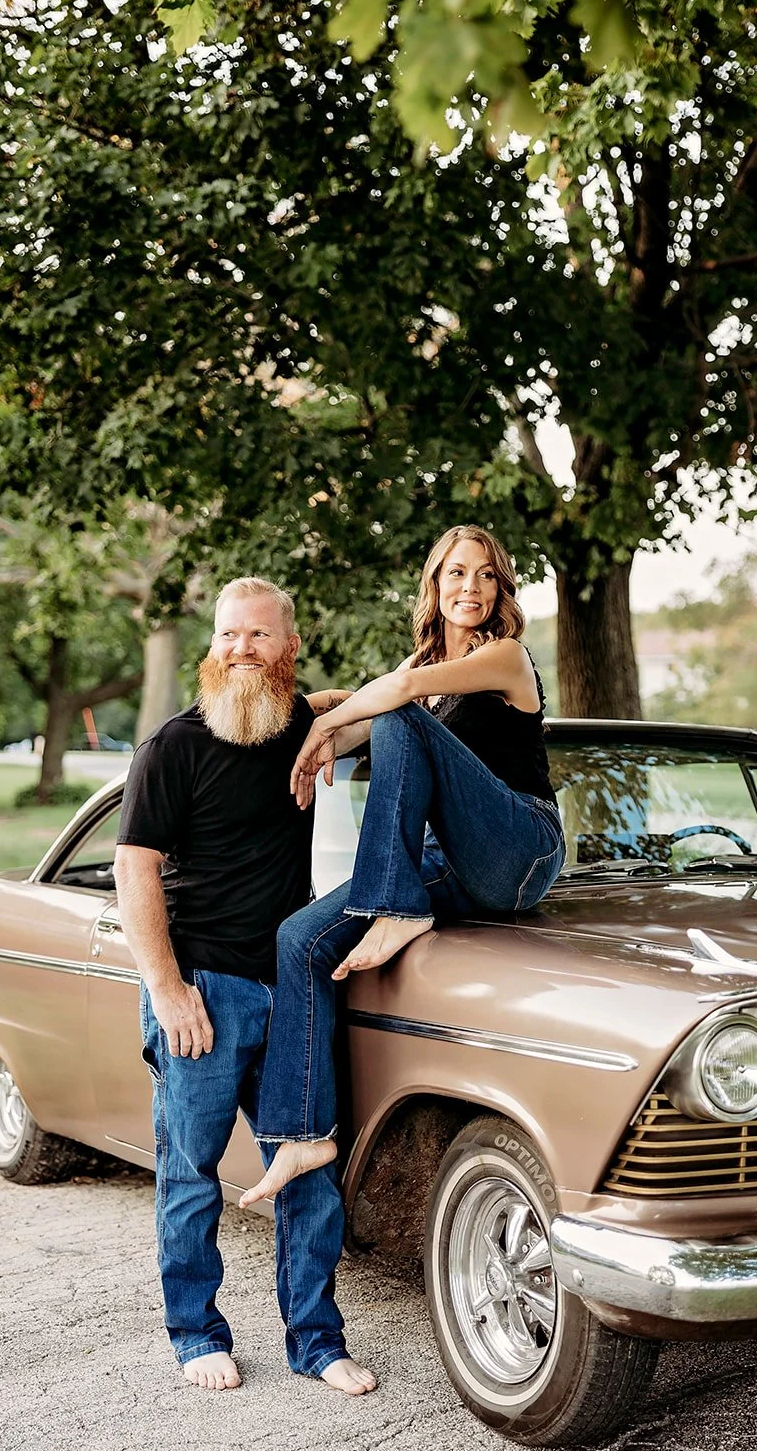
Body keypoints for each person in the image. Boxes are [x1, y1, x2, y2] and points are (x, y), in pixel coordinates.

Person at [239, 525, 565, 1209]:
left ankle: (396, 906)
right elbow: (363, 711)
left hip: (521, 849)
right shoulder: (420, 675)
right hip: (451, 865)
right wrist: (317, 719)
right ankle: (303, 1133)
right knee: (298, 940)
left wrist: (339, 723)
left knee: (397, 713)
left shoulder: (505, 658)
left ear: (501, 587)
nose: (469, 587)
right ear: (434, 584)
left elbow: (396, 696)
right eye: (455, 573)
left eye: (483, 575)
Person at [113, 578, 376, 1397]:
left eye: (259, 637)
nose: (240, 651)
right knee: (190, 1173)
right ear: (211, 644)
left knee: (309, 1174)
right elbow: (134, 868)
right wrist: (165, 988)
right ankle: (196, 1334)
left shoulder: (303, 728)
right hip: (204, 991)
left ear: (288, 648)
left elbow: (387, 707)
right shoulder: (173, 746)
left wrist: (332, 710)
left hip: (294, 992)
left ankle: (315, 1342)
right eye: (229, 636)